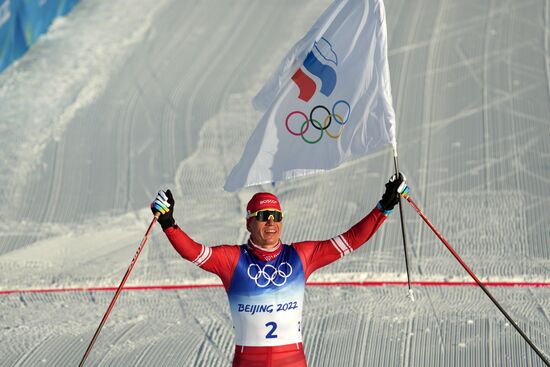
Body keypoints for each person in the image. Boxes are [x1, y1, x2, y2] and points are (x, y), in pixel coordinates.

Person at [151, 174, 408, 367]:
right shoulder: (232, 259)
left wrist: (383, 207)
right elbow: (193, 252)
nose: (271, 221)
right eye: (263, 215)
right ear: (249, 222)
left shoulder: (300, 256)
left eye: (276, 215)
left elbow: (350, 240)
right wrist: (168, 223)